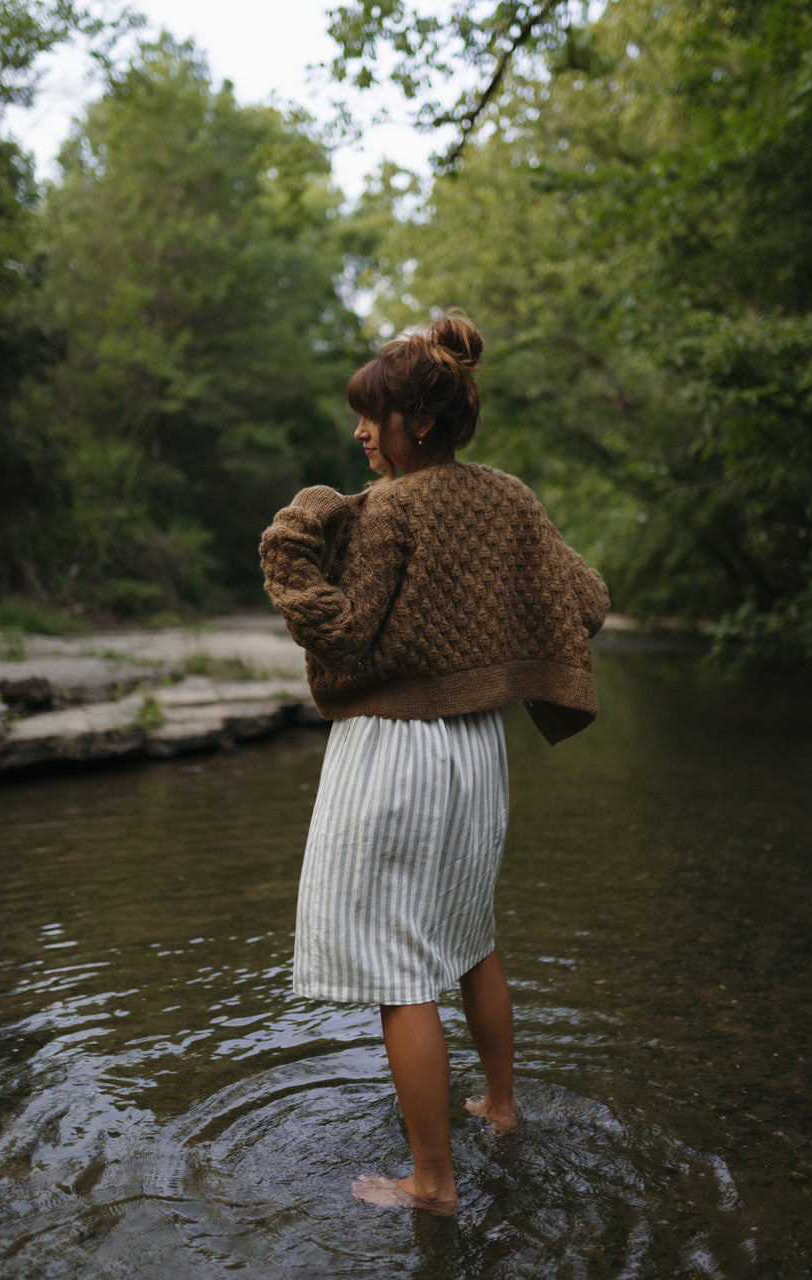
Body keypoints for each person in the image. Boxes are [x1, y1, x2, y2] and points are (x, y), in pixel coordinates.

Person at [259, 311, 609, 1215]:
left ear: (416, 421)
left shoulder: (387, 509)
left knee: (397, 971)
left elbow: (343, 635)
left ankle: (432, 1183)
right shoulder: (508, 499)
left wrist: (292, 537)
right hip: (476, 754)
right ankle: (497, 1104)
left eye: (371, 416)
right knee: (468, 934)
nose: (360, 434)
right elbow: (588, 600)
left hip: (393, 758)